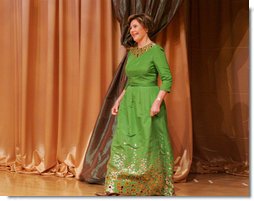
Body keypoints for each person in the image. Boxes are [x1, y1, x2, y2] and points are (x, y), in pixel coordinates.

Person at [97, 13, 174, 196]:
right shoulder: (131, 53)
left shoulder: (156, 51)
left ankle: (150, 187)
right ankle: (116, 187)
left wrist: (157, 101)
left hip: (148, 101)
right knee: (124, 142)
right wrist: (118, 100)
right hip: (130, 102)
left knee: (147, 143)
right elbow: (130, 82)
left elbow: (167, 79)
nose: (132, 31)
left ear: (146, 28)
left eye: (135, 26)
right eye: (130, 27)